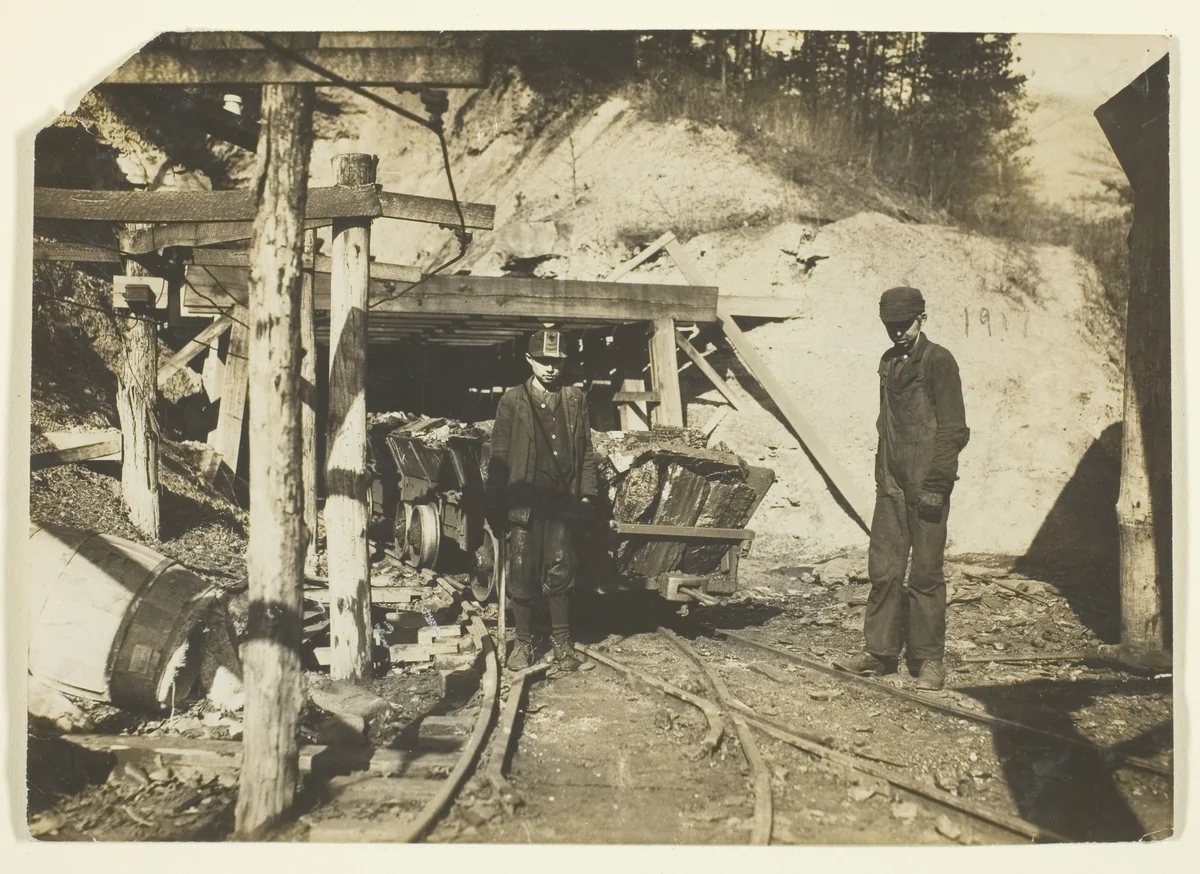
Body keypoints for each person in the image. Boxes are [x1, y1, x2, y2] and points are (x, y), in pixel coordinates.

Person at [834, 286, 970, 691]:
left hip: (927, 484)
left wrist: (937, 484)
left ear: (921, 319)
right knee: (884, 570)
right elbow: (885, 426)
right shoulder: (889, 362)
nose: (896, 333)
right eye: (890, 327)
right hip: (891, 484)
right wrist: (883, 476)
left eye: (903, 325)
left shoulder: (939, 361)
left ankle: (929, 660)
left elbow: (953, 428)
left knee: (925, 574)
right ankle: (879, 653)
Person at [487, 329, 599, 672]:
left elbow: (586, 449)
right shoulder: (512, 400)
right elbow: (499, 454)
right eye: (544, 361)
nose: (551, 368)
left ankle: (562, 644)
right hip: (525, 499)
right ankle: (523, 644)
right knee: (522, 567)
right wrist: (495, 502)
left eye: (557, 362)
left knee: (561, 567)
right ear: (529, 361)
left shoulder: (575, 398)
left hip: (561, 501)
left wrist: (587, 494)